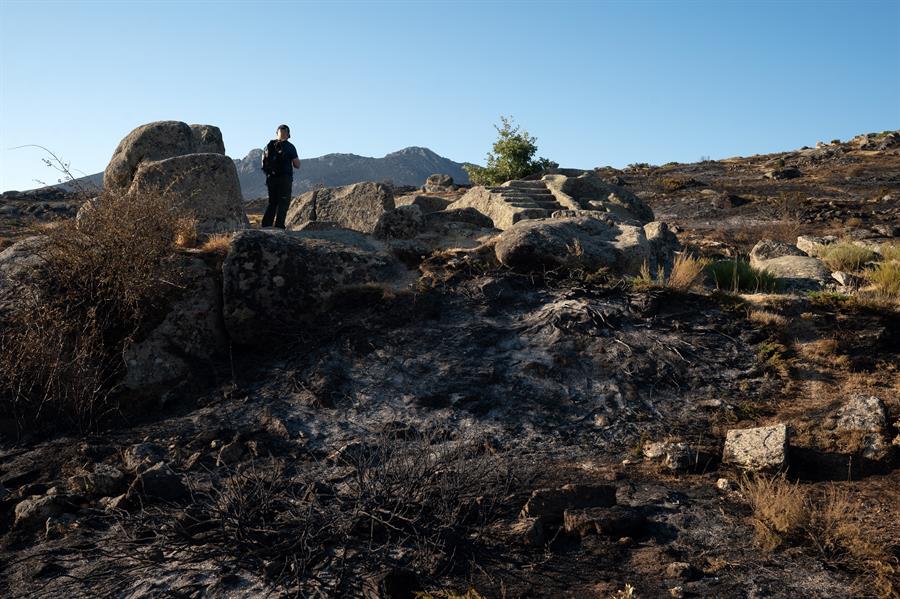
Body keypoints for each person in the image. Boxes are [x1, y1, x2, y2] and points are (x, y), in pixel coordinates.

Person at [261, 124, 300, 228]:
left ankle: (266, 225)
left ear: (276, 133)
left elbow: (263, 163)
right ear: (288, 134)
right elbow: (297, 165)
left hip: (271, 178)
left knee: (272, 202)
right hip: (284, 179)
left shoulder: (268, 146)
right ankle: (279, 226)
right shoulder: (290, 147)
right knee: (283, 203)